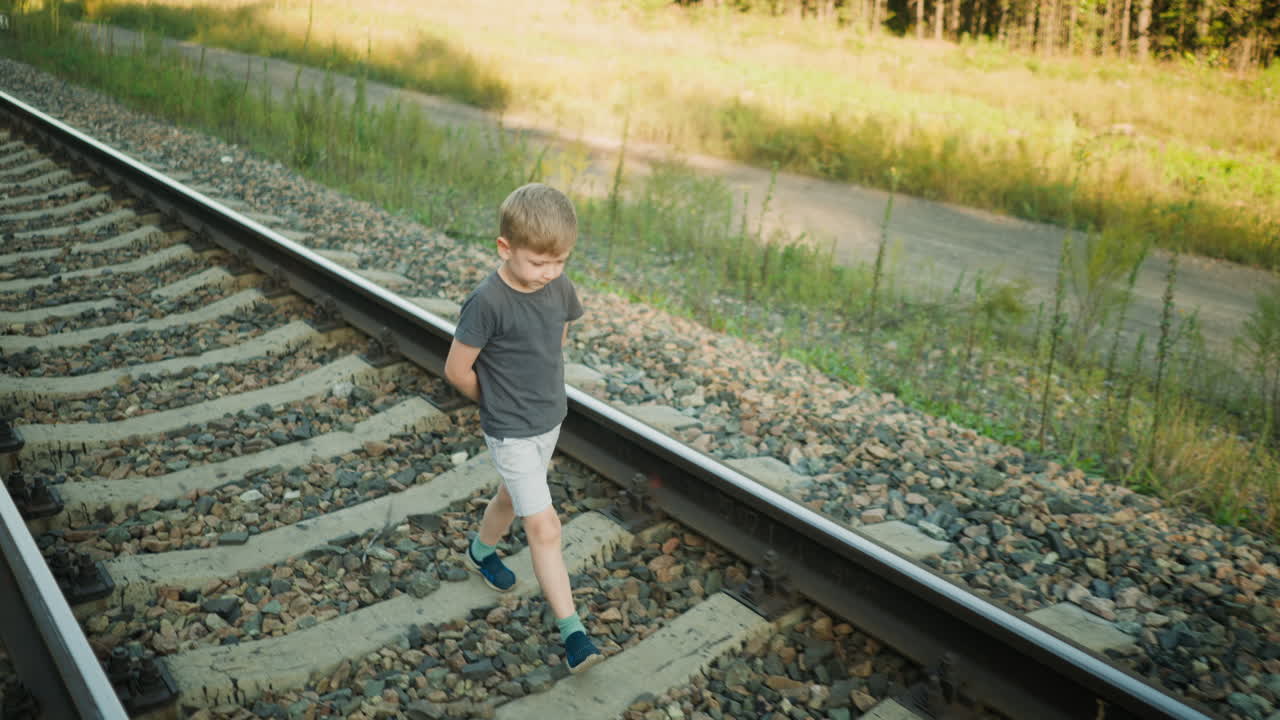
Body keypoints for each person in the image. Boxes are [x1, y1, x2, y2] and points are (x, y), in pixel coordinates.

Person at [443, 182, 603, 674]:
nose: (550, 273)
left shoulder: (558, 287)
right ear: (505, 248)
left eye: (560, 262)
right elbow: (456, 370)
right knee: (544, 525)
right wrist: (497, 406)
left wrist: (538, 396)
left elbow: (555, 342)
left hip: (548, 418)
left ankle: (480, 550)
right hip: (510, 429)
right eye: (538, 263)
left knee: (511, 498)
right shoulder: (487, 302)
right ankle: (573, 633)